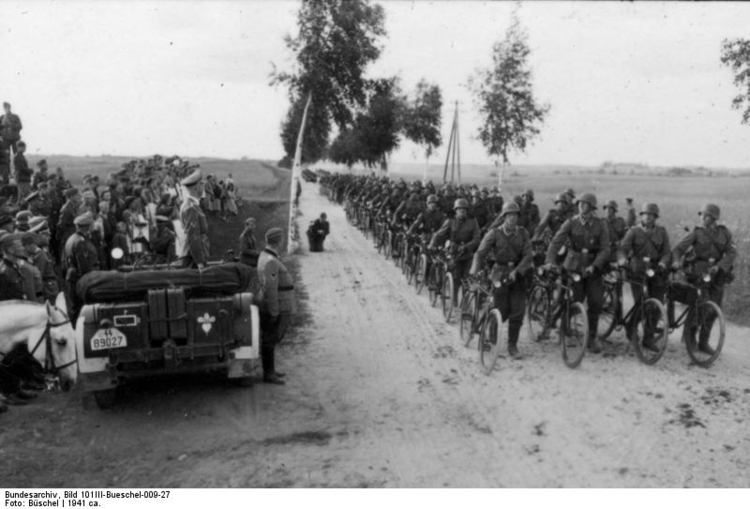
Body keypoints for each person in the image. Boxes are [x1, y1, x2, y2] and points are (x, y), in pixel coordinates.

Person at [544, 192, 610, 353]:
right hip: (573, 267)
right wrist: (550, 261)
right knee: (574, 299)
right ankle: (564, 328)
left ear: (592, 207)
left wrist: (595, 265)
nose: (581, 206)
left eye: (585, 204)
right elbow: (556, 242)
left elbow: (605, 249)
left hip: (593, 269)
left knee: (595, 302)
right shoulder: (571, 222)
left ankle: (592, 338)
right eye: (580, 203)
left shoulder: (600, 225)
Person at [671, 203, 737, 355]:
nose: (702, 218)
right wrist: (676, 261)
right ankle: (690, 336)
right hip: (699, 274)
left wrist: (720, 266)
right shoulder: (696, 232)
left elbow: (732, 253)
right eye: (701, 215)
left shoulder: (724, 233)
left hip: (718, 276)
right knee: (702, 306)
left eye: (705, 215)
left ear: (713, 218)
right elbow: (678, 249)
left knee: (715, 309)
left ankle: (703, 342)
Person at [470, 202, 533, 358]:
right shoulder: (494, 233)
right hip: (499, 273)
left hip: (517, 276)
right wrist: (474, 269)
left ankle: (512, 345)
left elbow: (528, 255)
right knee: (500, 310)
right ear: (504, 217)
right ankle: (492, 333)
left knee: (517, 312)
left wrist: (517, 271)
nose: (512, 218)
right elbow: (480, 253)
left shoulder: (523, 233)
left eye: (515, 215)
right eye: (509, 215)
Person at [617, 203, 671, 351]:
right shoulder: (634, 231)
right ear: (641, 216)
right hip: (637, 271)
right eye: (645, 214)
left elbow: (667, 252)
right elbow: (622, 249)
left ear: (655, 217)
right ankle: (631, 327)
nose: (648, 217)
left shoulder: (662, 232)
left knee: (657, 305)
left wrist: (663, 263)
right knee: (641, 303)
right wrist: (622, 260)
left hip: (656, 270)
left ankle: (648, 338)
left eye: (651, 215)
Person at [257, 227, 296, 385]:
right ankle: (269, 373)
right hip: (277, 305)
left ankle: (270, 371)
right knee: (270, 340)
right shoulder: (271, 262)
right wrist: (274, 312)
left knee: (270, 340)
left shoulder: (264, 256)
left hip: (273, 304)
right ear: (278, 241)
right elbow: (271, 289)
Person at [429, 198, 481, 302]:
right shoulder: (450, 221)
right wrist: (432, 245)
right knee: (455, 279)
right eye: (459, 209)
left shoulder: (473, 222)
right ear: (455, 210)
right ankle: (454, 303)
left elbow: (477, 238)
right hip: (453, 253)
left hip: (468, 253)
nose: (462, 211)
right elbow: (439, 234)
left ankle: (464, 304)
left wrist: (467, 246)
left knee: (468, 279)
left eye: (464, 209)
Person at [63, 213, 100, 323]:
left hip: (72, 276)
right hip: (79, 279)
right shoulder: (80, 242)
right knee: (80, 308)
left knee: (76, 308)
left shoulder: (72, 238)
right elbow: (84, 266)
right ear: (87, 226)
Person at [177, 169, 209, 269]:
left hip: (193, 255)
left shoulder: (192, 205)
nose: (203, 188)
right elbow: (193, 236)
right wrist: (199, 261)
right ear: (197, 187)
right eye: (202, 185)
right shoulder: (191, 207)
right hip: (192, 258)